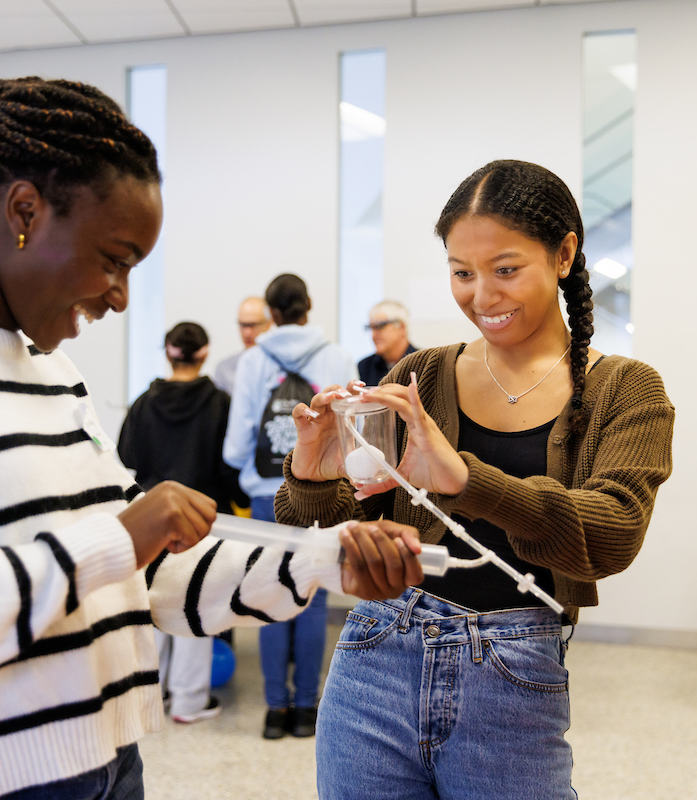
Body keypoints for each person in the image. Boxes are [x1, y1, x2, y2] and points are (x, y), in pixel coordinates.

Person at [0, 70, 425, 800]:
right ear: (25, 209)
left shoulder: (56, 376)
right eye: (113, 261)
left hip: (103, 765)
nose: (118, 297)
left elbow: (139, 581)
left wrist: (321, 562)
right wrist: (122, 536)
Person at [276, 160, 675, 799]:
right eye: (462, 273)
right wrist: (314, 476)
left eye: (505, 270)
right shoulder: (420, 376)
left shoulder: (626, 390)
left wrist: (468, 479)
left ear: (565, 253)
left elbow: (613, 536)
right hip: (378, 653)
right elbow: (314, 530)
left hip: (514, 674)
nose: (482, 296)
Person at [222, 273, 356, 739]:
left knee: (270, 595)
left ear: (271, 313)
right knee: (312, 597)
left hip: (265, 493)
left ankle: (275, 709)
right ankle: (307, 709)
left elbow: (237, 443)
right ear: (309, 305)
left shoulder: (255, 358)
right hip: (322, 492)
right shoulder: (337, 355)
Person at [117, 321, 246, 724]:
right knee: (197, 607)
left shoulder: (142, 404)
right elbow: (229, 466)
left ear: (168, 352)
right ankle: (189, 701)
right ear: (205, 352)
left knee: (153, 607)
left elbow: (125, 463)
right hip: (204, 520)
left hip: (152, 521)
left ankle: (150, 699)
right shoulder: (221, 403)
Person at [212, 296, 272, 395]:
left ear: (269, 324)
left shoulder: (282, 366)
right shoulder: (225, 369)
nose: (247, 333)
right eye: (243, 325)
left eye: (253, 325)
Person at [357, 300, 418, 386]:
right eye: (371, 328)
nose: (373, 335)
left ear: (401, 327)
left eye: (380, 326)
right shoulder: (365, 366)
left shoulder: (424, 363)